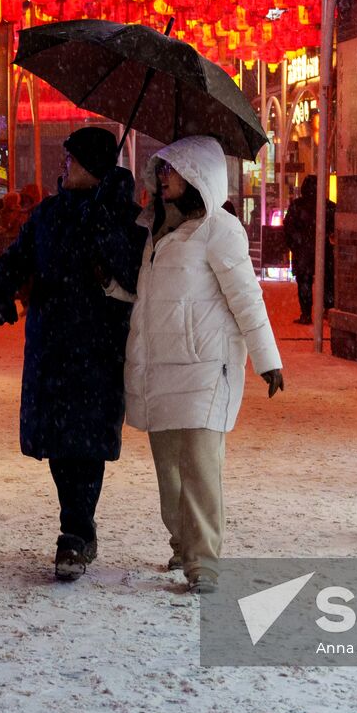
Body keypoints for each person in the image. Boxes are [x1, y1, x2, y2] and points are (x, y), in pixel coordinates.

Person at [110, 136, 284, 595]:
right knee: (168, 467)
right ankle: (183, 541)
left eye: (173, 170)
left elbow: (246, 297)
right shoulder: (151, 230)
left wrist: (268, 359)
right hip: (159, 366)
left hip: (206, 366)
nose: (162, 177)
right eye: (161, 169)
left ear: (198, 176)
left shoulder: (219, 229)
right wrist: (113, 287)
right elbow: (149, 295)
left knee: (201, 465)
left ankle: (203, 560)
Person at [0, 127, 145, 581]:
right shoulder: (48, 214)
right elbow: (17, 257)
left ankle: (74, 531)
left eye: (71, 161)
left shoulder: (123, 217)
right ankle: (76, 524)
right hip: (52, 347)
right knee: (58, 441)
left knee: (86, 441)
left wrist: (103, 231)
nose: (63, 168)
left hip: (97, 346)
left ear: (93, 169)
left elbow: (134, 275)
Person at [282, 175, 336, 324]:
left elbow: (288, 229)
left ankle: (306, 314)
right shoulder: (329, 207)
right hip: (324, 251)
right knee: (328, 280)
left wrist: (295, 246)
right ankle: (328, 309)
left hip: (303, 252)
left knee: (304, 282)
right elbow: (335, 230)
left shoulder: (296, 206)